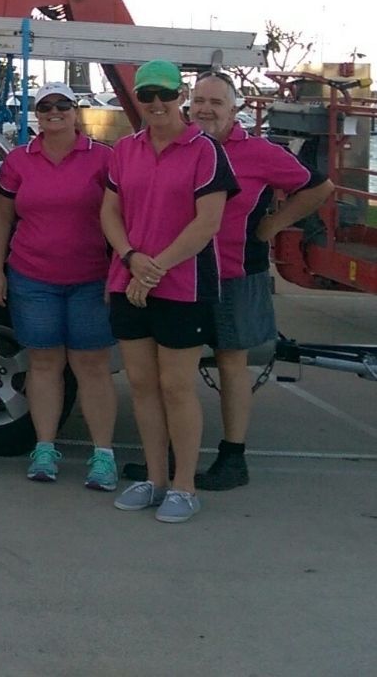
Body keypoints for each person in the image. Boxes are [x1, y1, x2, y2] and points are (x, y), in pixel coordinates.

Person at [101, 59, 236, 524]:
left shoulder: (205, 152)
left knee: (176, 386)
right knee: (141, 385)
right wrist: (131, 258)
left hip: (182, 286)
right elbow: (110, 213)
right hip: (129, 282)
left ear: (180, 96)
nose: (156, 104)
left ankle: (184, 485)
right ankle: (155, 478)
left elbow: (207, 223)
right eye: (147, 95)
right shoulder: (124, 149)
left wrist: (153, 269)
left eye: (166, 95)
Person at [184, 72, 332, 489]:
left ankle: (233, 458)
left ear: (235, 110)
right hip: (181, 272)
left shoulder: (259, 153)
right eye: (199, 101)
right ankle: (175, 456)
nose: (206, 109)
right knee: (176, 367)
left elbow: (318, 188)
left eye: (216, 102)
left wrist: (274, 224)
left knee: (231, 364)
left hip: (234, 274)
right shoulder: (181, 147)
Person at [0, 81, 119, 490]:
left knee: (92, 367)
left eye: (63, 105)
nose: (54, 112)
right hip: (32, 277)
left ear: (76, 111)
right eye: (45, 106)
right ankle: (44, 448)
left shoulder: (104, 159)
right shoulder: (18, 161)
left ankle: (103, 456)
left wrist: (117, 273)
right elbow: (3, 219)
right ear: (36, 113)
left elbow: (120, 217)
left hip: (90, 278)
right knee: (44, 365)